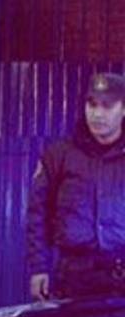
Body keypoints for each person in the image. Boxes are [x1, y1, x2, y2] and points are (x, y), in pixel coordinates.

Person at [26, 72, 125, 301]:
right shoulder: (59, 154)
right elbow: (37, 213)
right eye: (92, 104)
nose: (98, 114)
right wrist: (38, 267)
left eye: (107, 105)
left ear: (123, 109)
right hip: (74, 277)